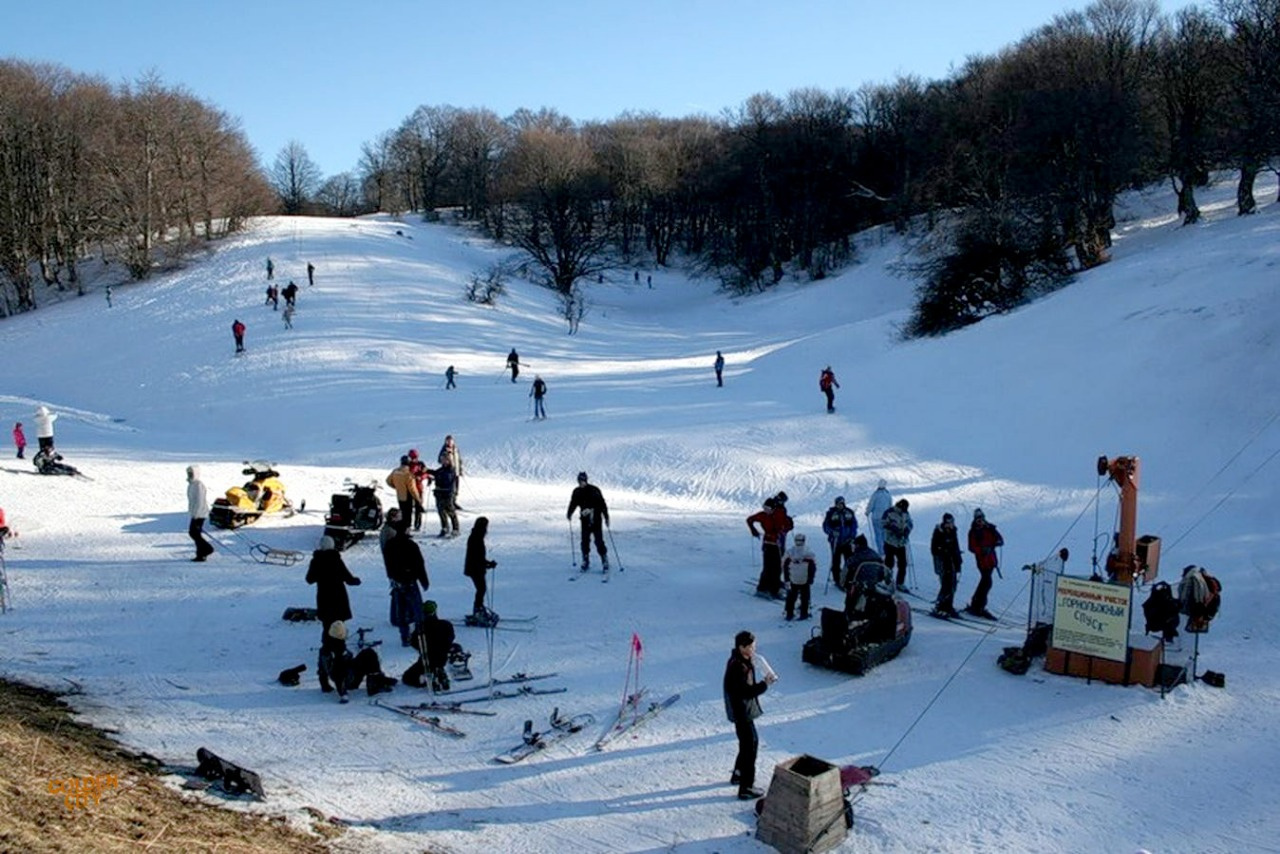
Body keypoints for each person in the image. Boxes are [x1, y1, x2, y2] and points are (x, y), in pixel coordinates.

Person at [722, 630, 776, 800]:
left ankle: (738, 773)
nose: (754, 649)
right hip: (742, 712)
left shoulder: (741, 661)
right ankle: (746, 787)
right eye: (751, 646)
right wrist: (765, 684)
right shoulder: (739, 667)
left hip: (742, 711)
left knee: (746, 743)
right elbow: (746, 691)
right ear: (741, 647)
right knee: (750, 746)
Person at [317, 621, 394, 703]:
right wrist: (343, 694)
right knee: (369, 654)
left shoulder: (326, 648)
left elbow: (322, 669)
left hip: (348, 674)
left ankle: (379, 680)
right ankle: (375, 685)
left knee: (365, 654)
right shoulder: (338, 651)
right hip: (349, 680)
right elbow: (338, 674)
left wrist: (324, 685)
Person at [383, 517, 429, 646]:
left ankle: (405, 636)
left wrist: (392, 576)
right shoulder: (411, 545)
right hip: (410, 580)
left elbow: (388, 564)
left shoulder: (389, 545)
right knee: (417, 608)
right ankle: (420, 635)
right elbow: (419, 563)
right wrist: (424, 580)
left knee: (401, 610)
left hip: (397, 581)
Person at [306, 535, 362, 638]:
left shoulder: (316, 561)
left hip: (324, 597)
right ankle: (339, 648)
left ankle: (326, 649)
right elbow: (348, 578)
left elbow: (309, 579)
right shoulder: (336, 560)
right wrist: (356, 581)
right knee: (339, 625)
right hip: (338, 597)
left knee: (327, 625)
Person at [402, 602, 455, 691]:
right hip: (442, 657)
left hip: (426, 659)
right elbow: (451, 638)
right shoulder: (446, 624)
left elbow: (414, 642)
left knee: (407, 678)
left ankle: (428, 679)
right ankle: (438, 672)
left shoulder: (421, 627)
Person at [747, 497, 793, 598]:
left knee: (776, 568)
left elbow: (787, 525)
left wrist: (787, 526)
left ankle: (772, 588)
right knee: (768, 567)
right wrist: (753, 530)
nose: (765, 510)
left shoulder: (779, 514)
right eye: (764, 508)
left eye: (768, 508)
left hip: (778, 545)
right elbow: (749, 520)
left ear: (773, 508)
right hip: (768, 544)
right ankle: (765, 588)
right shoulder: (762, 515)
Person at [965, 508, 1004, 620]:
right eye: (978, 519)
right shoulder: (974, 531)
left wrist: (994, 541)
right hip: (982, 560)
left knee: (986, 582)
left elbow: (1000, 540)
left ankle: (977, 605)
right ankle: (978, 606)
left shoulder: (989, 528)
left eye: (981, 519)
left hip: (991, 560)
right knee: (986, 582)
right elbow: (971, 547)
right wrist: (983, 550)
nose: (980, 521)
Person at [567, 471, 610, 572]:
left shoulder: (594, 490)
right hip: (585, 521)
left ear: (586, 480)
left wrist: (606, 517)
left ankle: (604, 560)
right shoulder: (577, 492)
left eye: (583, 480)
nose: (581, 483)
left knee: (599, 541)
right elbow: (573, 503)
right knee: (585, 541)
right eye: (580, 481)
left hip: (596, 520)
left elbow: (602, 504)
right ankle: (585, 560)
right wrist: (569, 513)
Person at [464, 516, 498, 616]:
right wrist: (488, 564)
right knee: (481, 589)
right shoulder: (476, 537)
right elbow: (477, 557)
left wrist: (487, 564)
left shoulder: (477, 536)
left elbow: (479, 557)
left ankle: (479, 607)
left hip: (476, 568)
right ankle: (477, 608)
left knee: (481, 589)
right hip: (475, 569)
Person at [930, 513, 962, 617]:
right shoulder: (939, 532)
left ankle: (948, 606)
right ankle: (940, 605)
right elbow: (934, 548)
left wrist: (958, 560)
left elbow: (956, 547)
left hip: (952, 561)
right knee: (946, 584)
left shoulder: (953, 532)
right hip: (943, 561)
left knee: (953, 584)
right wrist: (943, 550)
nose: (950, 524)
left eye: (952, 522)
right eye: (948, 522)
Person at [821, 496, 858, 587]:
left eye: (841, 504)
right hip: (836, 542)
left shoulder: (849, 512)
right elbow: (826, 526)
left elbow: (854, 525)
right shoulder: (831, 513)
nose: (840, 505)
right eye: (838, 504)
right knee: (836, 561)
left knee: (849, 561)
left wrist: (852, 536)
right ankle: (837, 579)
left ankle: (849, 578)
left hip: (847, 541)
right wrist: (832, 532)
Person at [782, 533, 817, 621]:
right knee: (805, 597)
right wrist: (811, 578)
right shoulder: (809, 553)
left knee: (791, 597)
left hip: (793, 579)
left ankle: (789, 613)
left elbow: (785, 565)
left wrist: (786, 578)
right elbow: (813, 567)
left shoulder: (790, 552)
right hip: (804, 579)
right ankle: (804, 614)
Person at [881, 499, 914, 592]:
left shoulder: (906, 513)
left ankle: (900, 583)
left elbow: (910, 523)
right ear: (899, 506)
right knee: (889, 563)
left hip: (901, 543)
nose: (904, 510)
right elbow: (883, 523)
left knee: (903, 563)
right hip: (890, 542)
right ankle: (887, 582)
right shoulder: (890, 512)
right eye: (902, 508)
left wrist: (907, 530)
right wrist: (893, 528)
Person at [186, 465, 214, 563]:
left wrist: (197, 514)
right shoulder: (192, 484)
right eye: (188, 473)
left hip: (200, 513)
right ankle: (201, 554)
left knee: (194, 533)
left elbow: (199, 500)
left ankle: (207, 549)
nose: (189, 475)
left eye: (191, 473)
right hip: (195, 513)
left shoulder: (198, 485)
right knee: (194, 533)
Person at [385, 455, 422, 530]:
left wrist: (397, 487)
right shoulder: (408, 474)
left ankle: (402, 527)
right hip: (407, 496)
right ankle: (406, 529)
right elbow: (412, 489)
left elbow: (388, 481)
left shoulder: (395, 471)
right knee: (408, 514)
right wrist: (418, 499)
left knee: (402, 512)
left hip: (399, 495)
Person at [430, 456, 460, 537]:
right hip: (439, 494)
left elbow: (448, 479)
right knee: (441, 511)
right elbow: (435, 473)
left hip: (448, 493)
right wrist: (427, 471)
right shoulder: (441, 470)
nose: (443, 461)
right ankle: (445, 528)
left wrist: (439, 481)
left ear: (449, 460)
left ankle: (455, 528)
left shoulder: (451, 470)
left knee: (450, 511)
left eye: (445, 460)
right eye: (442, 460)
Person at [865, 479, 893, 554]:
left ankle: (881, 551)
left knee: (878, 535)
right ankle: (886, 550)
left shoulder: (875, 494)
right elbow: (890, 506)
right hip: (885, 518)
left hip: (876, 518)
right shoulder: (888, 494)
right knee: (884, 535)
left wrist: (867, 512)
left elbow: (871, 504)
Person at [407, 449, 431, 531]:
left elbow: (426, 473)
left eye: (414, 457)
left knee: (418, 507)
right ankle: (408, 524)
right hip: (409, 488)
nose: (413, 459)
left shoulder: (421, 464)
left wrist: (421, 477)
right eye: (411, 457)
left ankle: (417, 525)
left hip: (418, 488)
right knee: (408, 508)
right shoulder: (407, 465)